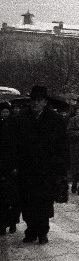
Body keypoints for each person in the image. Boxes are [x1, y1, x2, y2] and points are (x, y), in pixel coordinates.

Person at [8, 86, 69, 244]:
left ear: (45, 102)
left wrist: (62, 168)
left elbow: (63, 145)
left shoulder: (55, 120)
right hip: (26, 167)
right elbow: (13, 145)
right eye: (33, 100)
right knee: (27, 201)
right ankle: (31, 231)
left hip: (47, 168)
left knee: (44, 201)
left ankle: (42, 231)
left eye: (39, 101)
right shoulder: (21, 119)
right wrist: (13, 164)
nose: (36, 103)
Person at [0, 101, 20, 235]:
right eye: (3, 112)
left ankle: (12, 222)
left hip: (11, 165)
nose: (5, 114)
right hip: (2, 165)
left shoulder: (14, 125)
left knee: (13, 197)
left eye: (7, 111)